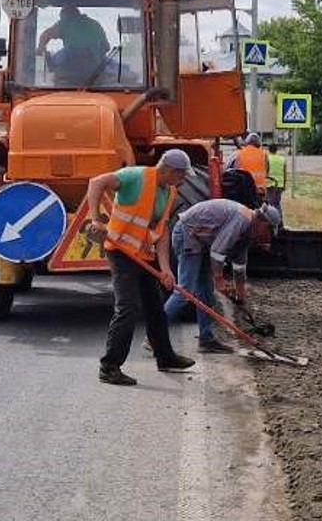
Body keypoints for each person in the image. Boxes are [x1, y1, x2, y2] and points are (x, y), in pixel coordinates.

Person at [84, 149, 196, 386]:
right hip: (121, 252)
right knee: (127, 307)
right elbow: (96, 183)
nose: (183, 180)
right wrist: (95, 219)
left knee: (155, 306)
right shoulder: (135, 176)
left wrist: (165, 268)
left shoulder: (169, 191)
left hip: (144, 254)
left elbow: (162, 231)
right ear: (168, 170)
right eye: (181, 174)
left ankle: (165, 356)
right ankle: (109, 366)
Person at [165, 198, 282, 351]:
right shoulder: (242, 220)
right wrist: (219, 280)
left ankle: (206, 340)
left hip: (202, 240)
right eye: (268, 231)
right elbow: (217, 252)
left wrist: (240, 299)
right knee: (184, 292)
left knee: (206, 294)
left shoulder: (248, 232)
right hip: (188, 233)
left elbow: (239, 267)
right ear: (262, 221)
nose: (267, 238)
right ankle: (154, 336)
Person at [36, 5, 110, 83]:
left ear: (65, 15)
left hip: (70, 70)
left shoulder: (66, 22)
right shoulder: (95, 24)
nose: (61, 20)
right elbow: (106, 47)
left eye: (61, 17)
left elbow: (45, 35)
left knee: (57, 58)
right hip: (95, 71)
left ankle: (54, 70)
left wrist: (40, 49)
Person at [232, 132, 270, 197]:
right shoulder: (264, 154)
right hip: (259, 190)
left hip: (244, 189)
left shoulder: (240, 154)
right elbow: (267, 169)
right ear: (258, 144)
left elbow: (235, 171)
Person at [265, 142, 286, 207]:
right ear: (276, 150)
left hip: (270, 184)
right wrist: (284, 185)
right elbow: (284, 173)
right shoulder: (283, 159)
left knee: (270, 203)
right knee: (277, 203)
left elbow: (266, 171)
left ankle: (272, 216)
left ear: (269, 150)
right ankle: (279, 216)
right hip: (280, 184)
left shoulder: (267, 158)